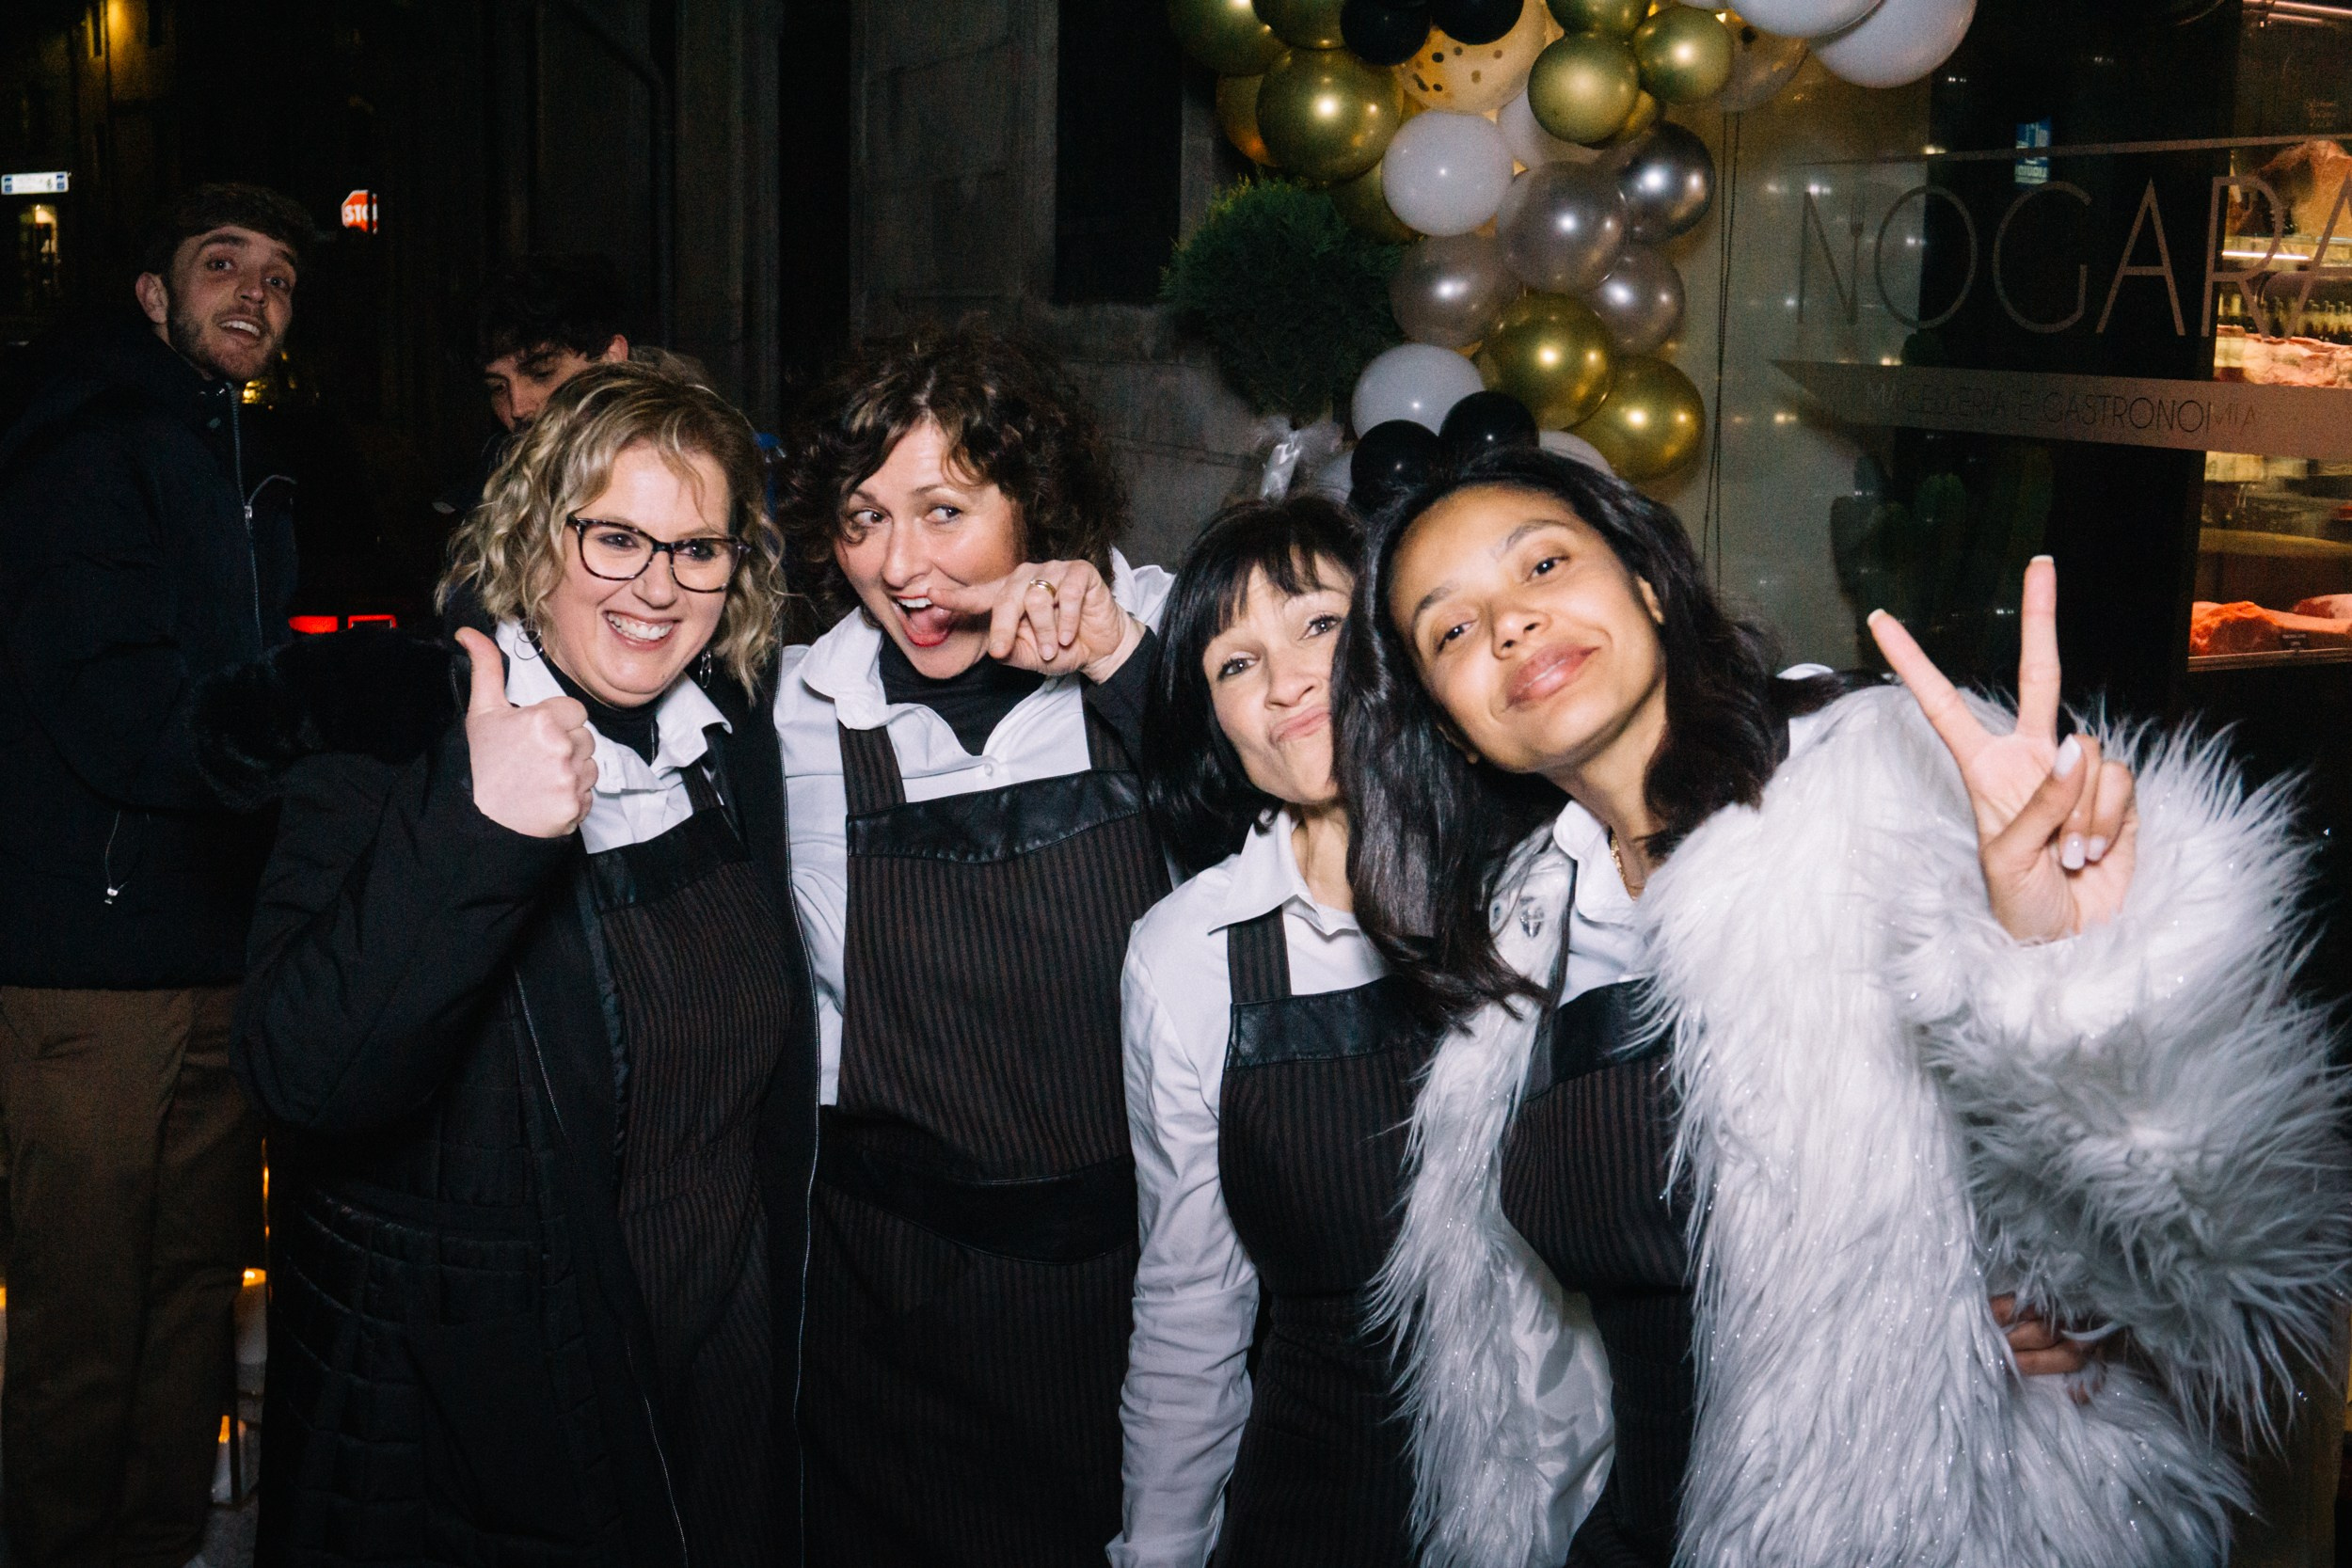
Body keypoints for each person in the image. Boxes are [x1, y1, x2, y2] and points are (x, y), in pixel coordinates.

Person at [1337, 446, 2351, 1567]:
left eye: (1542, 563)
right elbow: (1535, 1378)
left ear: (1645, 581)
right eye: (1452, 630)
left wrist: (2073, 968)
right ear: (1445, 721)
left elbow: (2212, 1245)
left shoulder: (1879, 785)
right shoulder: (1524, 933)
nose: (1511, 625)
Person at [199, 363, 817, 1565]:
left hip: (716, 1386)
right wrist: (475, 829)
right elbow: (298, 1074)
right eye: (616, 538)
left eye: (698, 548)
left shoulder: (720, 741)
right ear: (534, 539)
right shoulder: (384, 737)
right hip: (492, 1430)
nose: (657, 585)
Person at [1111, 495, 1607, 1568]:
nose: (1284, 680)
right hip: (1325, 1490)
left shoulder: (1557, 883)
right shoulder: (1187, 955)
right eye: (1232, 665)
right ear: (1217, 727)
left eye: (1317, 625)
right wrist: (1159, 1550)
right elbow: (1190, 1311)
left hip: (1579, 1488)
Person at [772, 322, 1170, 1565]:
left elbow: (1288, 817)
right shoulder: (800, 709)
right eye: (864, 514)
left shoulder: (1159, 633)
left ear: (1035, 502)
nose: (900, 564)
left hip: (1133, 1278)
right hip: (891, 1292)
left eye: (944, 510)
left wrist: (1121, 663)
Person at [0, 180, 311, 1568]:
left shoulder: (237, 456)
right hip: (88, 963)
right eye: (222, 262)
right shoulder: (84, 442)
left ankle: (160, 1541)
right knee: (82, 1319)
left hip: (214, 953)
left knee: (193, 1294)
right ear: (151, 294)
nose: (255, 293)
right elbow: (115, 705)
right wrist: (316, 728)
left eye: (282, 278)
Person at [434, 253, 632, 521]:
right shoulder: (491, 484)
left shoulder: (683, 462)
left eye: (541, 373)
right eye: (498, 388)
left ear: (611, 358)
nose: (517, 407)